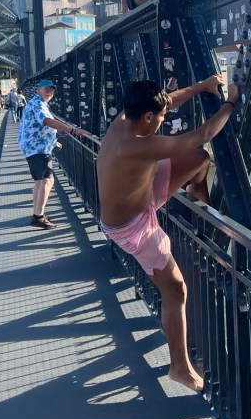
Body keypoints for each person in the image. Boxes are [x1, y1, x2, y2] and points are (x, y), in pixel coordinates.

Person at [96, 75, 238, 392]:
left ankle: (199, 206)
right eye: (160, 117)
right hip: (132, 227)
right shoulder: (136, 146)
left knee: (199, 159)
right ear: (148, 117)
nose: (163, 119)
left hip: (142, 192)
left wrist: (202, 86)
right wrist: (230, 102)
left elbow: (167, 102)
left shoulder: (124, 119)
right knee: (176, 290)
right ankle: (179, 368)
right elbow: (203, 134)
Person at [17, 79, 82, 229]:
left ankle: (37, 214)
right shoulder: (38, 104)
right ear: (38, 89)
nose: (50, 92)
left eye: (52, 90)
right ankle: (38, 217)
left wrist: (53, 142)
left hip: (34, 146)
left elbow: (37, 126)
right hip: (37, 148)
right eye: (46, 89)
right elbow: (47, 121)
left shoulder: (36, 102)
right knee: (48, 181)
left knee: (40, 181)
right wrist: (73, 130)